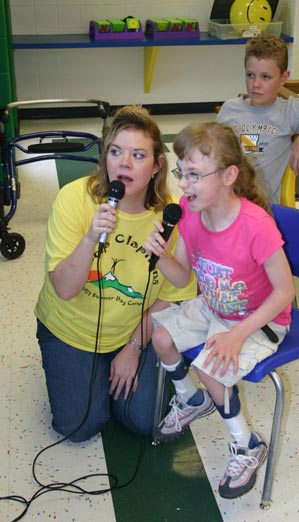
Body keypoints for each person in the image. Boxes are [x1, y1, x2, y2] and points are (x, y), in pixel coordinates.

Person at [145, 121, 295, 499]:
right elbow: (181, 280)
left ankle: (248, 445)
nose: (184, 185)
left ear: (229, 175)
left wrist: (238, 334)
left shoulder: (255, 226)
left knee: (209, 367)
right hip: (215, 306)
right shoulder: (189, 213)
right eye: (182, 173)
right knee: (160, 337)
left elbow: (285, 292)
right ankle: (192, 401)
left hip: (261, 320)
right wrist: (160, 256)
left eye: (194, 175)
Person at [35, 105, 197, 443]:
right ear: (105, 157)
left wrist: (134, 346)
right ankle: (79, 372)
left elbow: (175, 294)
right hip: (70, 328)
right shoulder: (74, 199)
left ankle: (108, 376)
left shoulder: (172, 215)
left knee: (143, 422)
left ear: (156, 166)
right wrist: (91, 237)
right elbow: (64, 289)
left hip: (134, 330)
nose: (124, 163)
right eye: (116, 152)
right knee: (79, 427)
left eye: (138, 155)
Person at [216, 34, 299, 203]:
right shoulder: (229, 109)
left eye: (265, 77)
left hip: (263, 211)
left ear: (284, 77)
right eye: (250, 75)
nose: (255, 84)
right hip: (226, 204)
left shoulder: (291, 110)